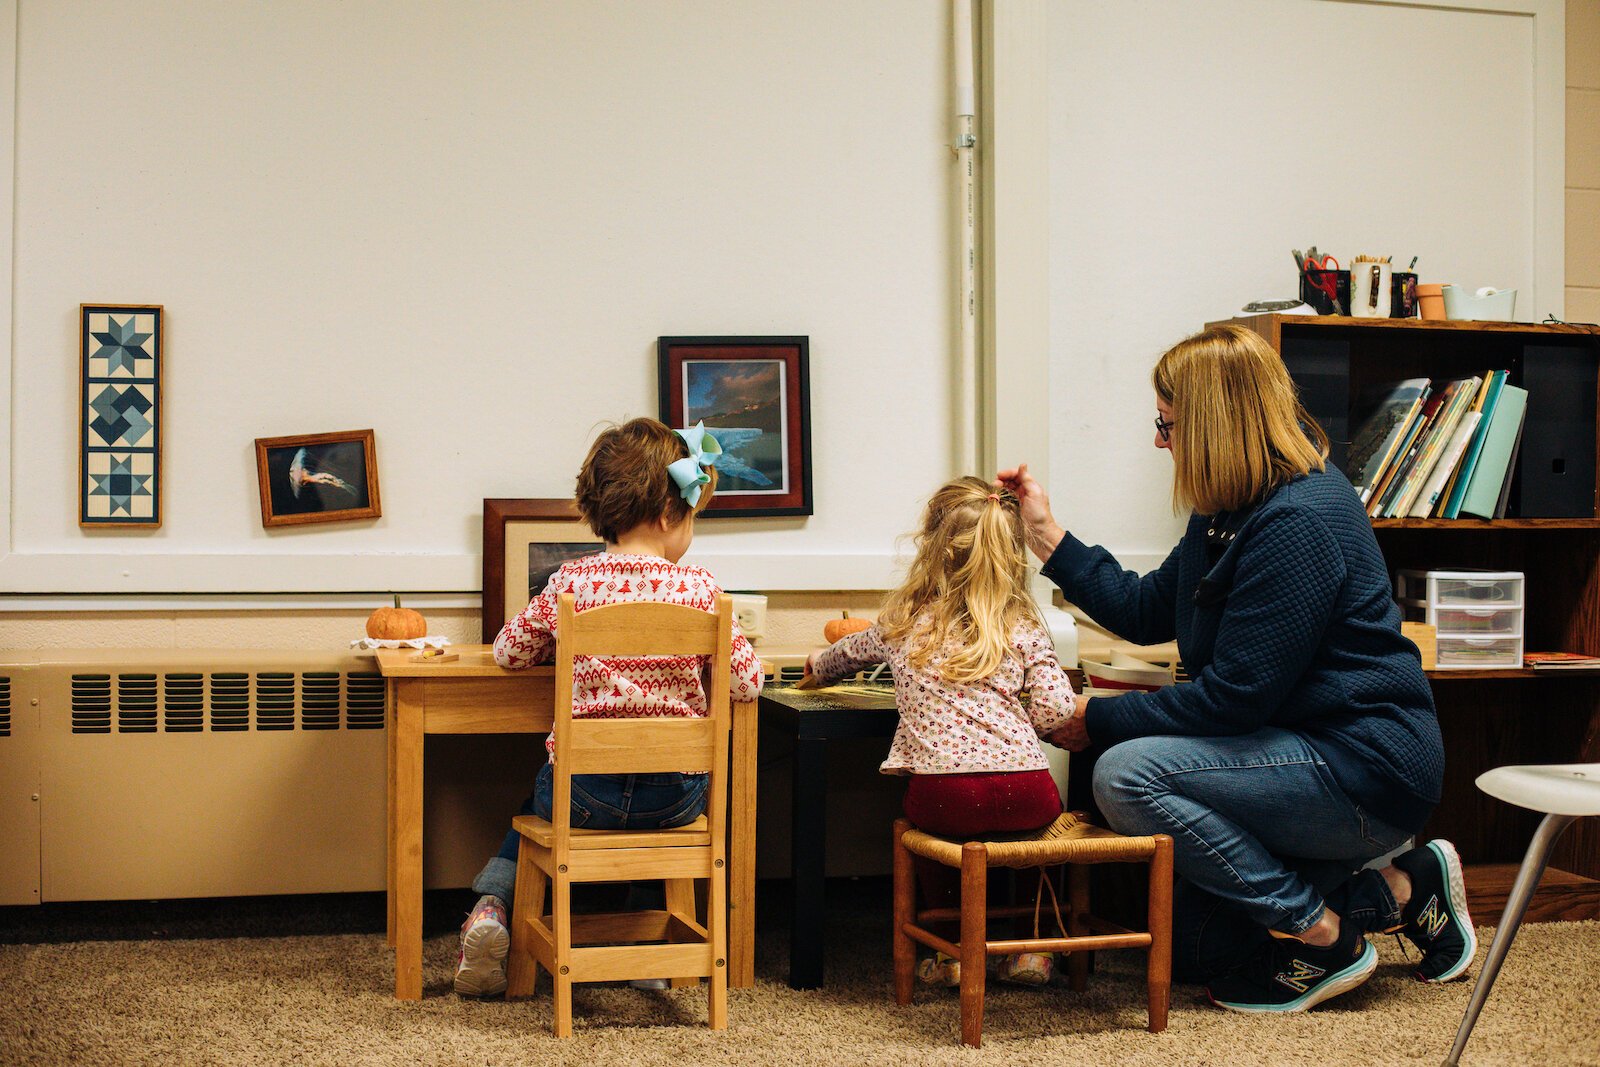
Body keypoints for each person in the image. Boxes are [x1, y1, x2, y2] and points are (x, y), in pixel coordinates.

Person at [997, 323, 1473, 1013]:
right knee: (1201, 950)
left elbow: (1231, 702)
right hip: (1293, 753)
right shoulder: (1226, 510)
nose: (1159, 441)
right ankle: (1401, 886)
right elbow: (1147, 608)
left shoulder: (1298, 521)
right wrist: (1045, 533)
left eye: (1167, 423)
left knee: (1122, 774)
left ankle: (1325, 937)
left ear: (1213, 424)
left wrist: (1093, 718)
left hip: (1365, 770)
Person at [454, 417, 763, 997]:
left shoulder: (569, 583)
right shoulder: (701, 591)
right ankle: (646, 949)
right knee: (652, 805)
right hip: (676, 797)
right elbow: (749, 686)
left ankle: (491, 908)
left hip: (583, 799)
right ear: (672, 514)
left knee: (539, 794)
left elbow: (507, 652)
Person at [805, 476, 1078, 988]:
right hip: (1028, 789)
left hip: (944, 794)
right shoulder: (1021, 622)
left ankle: (948, 953)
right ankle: (1028, 949)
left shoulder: (904, 621)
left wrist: (817, 665)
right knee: (1034, 846)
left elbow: (843, 655)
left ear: (931, 545)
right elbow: (1055, 711)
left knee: (934, 839)